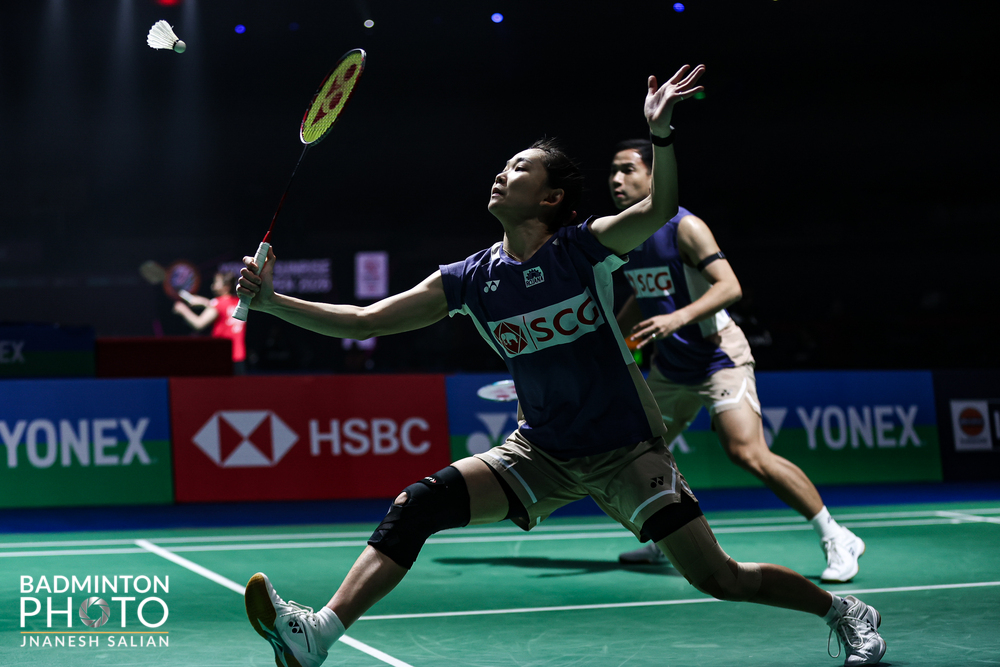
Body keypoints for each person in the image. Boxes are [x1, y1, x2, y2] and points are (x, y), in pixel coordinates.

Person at [238, 66, 885, 667]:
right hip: (539, 453)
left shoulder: (582, 250)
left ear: (550, 198)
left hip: (624, 451)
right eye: (503, 166)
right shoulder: (471, 278)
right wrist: (271, 302)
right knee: (419, 504)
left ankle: (844, 611)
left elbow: (658, 210)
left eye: (519, 168)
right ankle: (318, 633)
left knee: (719, 576)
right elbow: (366, 320)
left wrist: (660, 133)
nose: (501, 174)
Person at [608, 140, 866, 582]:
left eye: (627, 170)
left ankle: (837, 536)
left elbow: (729, 286)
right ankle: (668, 538)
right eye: (612, 171)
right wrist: (612, 338)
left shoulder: (685, 226)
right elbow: (641, 290)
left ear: (653, 175)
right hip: (670, 367)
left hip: (718, 357)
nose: (616, 179)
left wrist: (678, 317)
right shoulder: (626, 234)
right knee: (641, 454)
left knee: (747, 452)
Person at [172, 271, 247, 373]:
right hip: (239, 356)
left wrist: (183, 310)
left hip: (221, 356)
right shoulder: (239, 302)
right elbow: (218, 304)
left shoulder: (217, 304)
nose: (213, 285)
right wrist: (205, 302)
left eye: (216, 282)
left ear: (226, 286)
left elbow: (198, 324)